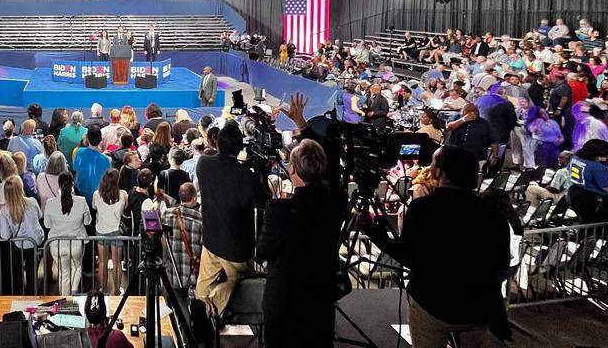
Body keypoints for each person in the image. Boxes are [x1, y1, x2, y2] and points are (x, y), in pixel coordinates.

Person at [364, 146, 510, 348]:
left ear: (439, 172)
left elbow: (407, 256)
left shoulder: (422, 208)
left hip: (433, 306)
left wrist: (373, 232)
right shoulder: (493, 213)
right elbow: (502, 262)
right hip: (479, 307)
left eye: (433, 164)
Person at [254, 139, 344, 348]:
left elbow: (264, 251)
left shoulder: (278, 210)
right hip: (321, 296)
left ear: (293, 169)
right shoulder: (336, 201)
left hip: (286, 300)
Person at [194, 121, 268, 318]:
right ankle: (210, 309)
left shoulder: (203, 164)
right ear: (240, 147)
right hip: (236, 247)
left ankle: (200, 309)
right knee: (240, 284)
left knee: (204, 284)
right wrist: (262, 173)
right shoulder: (247, 176)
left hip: (210, 240)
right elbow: (263, 202)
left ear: (217, 143)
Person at [43, 172, 91, 295]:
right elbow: (87, 221)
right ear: (72, 184)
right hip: (76, 243)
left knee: (63, 273)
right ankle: (73, 293)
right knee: (77, 268)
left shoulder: (50, 203)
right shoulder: (81, 201)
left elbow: (47, 225)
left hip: (56, 245)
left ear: (58, 184)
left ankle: (65, 298)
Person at [0, 175, 44, 295]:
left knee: (17, 270)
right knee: (32, 271)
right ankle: (32, 294)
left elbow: (5, 235)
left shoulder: (5, 210)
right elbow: (39, 216)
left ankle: (19, 293)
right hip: (35, 242)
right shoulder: (32, 202)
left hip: (18, 244)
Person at [567, 139, 608, 223]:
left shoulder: (575, 159)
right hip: (592, 200)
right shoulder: (597, 167)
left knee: (584, 223)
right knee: (593, 227)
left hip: (574, 193)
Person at [162, 182, 203, 291]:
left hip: (172, 273)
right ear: (194, 198)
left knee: (174, 306)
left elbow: (163, 241)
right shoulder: (201, 220)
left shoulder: (167, 214)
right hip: (193, 276)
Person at [92, 167, 128, 293]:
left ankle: (103, 289)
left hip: (101, 230)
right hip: (117, 231)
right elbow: (125, 208)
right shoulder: (123, 194)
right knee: (117, 262)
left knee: (102, 262)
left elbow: (94, 207)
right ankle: (117, 290)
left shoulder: (96, 194)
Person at [73, 126, 111, 204]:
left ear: (87, 139)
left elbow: (75, 168)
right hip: (97, 199)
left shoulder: (79, 152)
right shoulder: (106, 160)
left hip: (81, 195)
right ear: (101, 139)